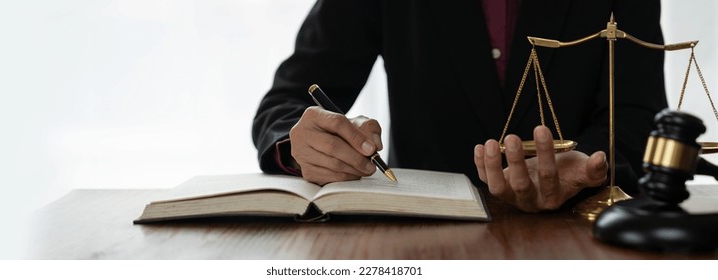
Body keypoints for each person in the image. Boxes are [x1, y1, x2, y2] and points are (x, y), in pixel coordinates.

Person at [252, 0, 668, 213]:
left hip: (574, 240)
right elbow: (289, 101)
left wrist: (592, 165)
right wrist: (301, 145)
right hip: (421, 244)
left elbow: (638, 117)